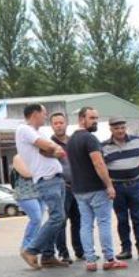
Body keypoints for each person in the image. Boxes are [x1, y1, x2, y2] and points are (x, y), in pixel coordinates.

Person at [67, 106, 123, 271]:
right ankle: (109, 259)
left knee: (86, 224)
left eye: (96, 118)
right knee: (104, 222)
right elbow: (98, 163)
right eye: (92, 118)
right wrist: (109, 185)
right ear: (81, 119)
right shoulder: (90, 139)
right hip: (96, 188)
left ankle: (90, 260)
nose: (95, 121)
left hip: (79, 189)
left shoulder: (71, 140)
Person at [17, 103, 70, 269]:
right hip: (47, 180)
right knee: (57, 217)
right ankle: (31, 250)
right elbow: (49, 147)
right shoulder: (24, 130)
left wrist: (53, 149)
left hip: (56, 179)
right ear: (34, 114)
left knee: (59, 219)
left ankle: (47, 255)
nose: (46, 117)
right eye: (44, 114)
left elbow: (55, 150)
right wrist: (52, 149)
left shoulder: (39, 132)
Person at [101, 118, 139, 260]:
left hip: (135, 184)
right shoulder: (104, 146)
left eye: (122, 127)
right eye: (117, 128)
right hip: (117, 186)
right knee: (122, 219)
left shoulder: (137, 140)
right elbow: (101, 164)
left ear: (125, 127)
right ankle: (126, 249)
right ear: (111, 129)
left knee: (138, 218)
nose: (120, 131)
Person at [50, 111, 82, 263]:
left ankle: (81, 252)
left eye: (61, 122)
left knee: (79, 221)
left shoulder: (74, 141)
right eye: (55, 123)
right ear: (51, 126)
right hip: (61, 188)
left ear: (66, 123)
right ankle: (63, 253)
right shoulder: (48, 143)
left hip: (79, 187)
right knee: (61, 222)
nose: (58, 126)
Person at [10, 154, 44, 253]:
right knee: (36, 219)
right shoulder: (18, 157)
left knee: (39, 221)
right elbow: (26, 173)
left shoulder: (37, 156)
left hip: (40, 192)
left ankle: (34, 246)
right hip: (24, 194)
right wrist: (43, 170)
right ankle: (26, 246)